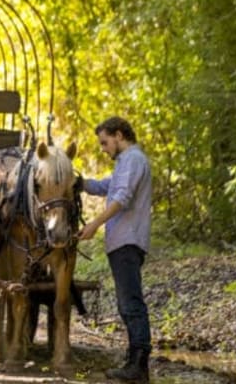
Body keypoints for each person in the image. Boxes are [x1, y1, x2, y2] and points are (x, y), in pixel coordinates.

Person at [78, 116, 153, 383]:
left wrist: (95, 224)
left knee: (131, 303)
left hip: (128, 241)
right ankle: (134, 361)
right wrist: (78, 181)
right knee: (127, 303)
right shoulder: (125, 163)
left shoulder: (133, 160)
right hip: (122, 242)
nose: (103, 148)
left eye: (105, 142)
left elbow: (122, 197)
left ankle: (139, 366)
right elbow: (104, 187)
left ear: (119, 135)